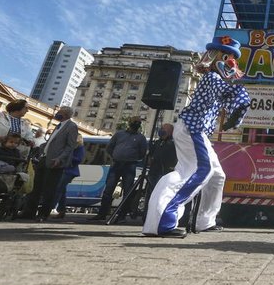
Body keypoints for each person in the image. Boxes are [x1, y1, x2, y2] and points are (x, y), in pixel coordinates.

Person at [142, 36, 250, 238]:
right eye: (226, 56)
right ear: (215, 57)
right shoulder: (212, 78)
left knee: (217, 176)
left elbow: (226, 99)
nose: (230, 62)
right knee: (200, 170)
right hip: (193, 128)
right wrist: (240, 101)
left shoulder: (215, 79)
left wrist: (235, 114)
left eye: (232, 58)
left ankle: (205, 221)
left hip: (197, 131)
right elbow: (228, 93)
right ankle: (163, 220)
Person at [19, 106, 79, 221]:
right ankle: (29, 212)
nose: (57, 113)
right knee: (35, 187)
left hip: (55, 162)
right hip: (44, 159)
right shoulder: (58, 126)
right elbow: (51, 143)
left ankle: (43, 214)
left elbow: (70, 146)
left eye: (59, 112)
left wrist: (60, 159)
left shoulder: (71, 126)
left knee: (49, 189)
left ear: (65, 114)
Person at [91, 116, 148, 221]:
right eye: (134, 122)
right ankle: (102, 214)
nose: (136, 124)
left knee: (128, 191)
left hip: (130, 166)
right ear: (129, 122)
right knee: (108, 190)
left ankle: (122, 215)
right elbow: (109, 148)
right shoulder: (119, 134)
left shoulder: (141, 138)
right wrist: (116, 157)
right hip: (116, 164)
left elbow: (142, 153)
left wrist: (131, 157)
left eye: (138, 123)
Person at [51, 133, 85, 219]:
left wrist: (68, 156)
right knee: (62, 190)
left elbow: (79, 159)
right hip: (65, 169)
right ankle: (61, 210)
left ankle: (50, 207)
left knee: (58, 188)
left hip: (70, 170)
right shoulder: (70, 146)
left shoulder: (79, 147)